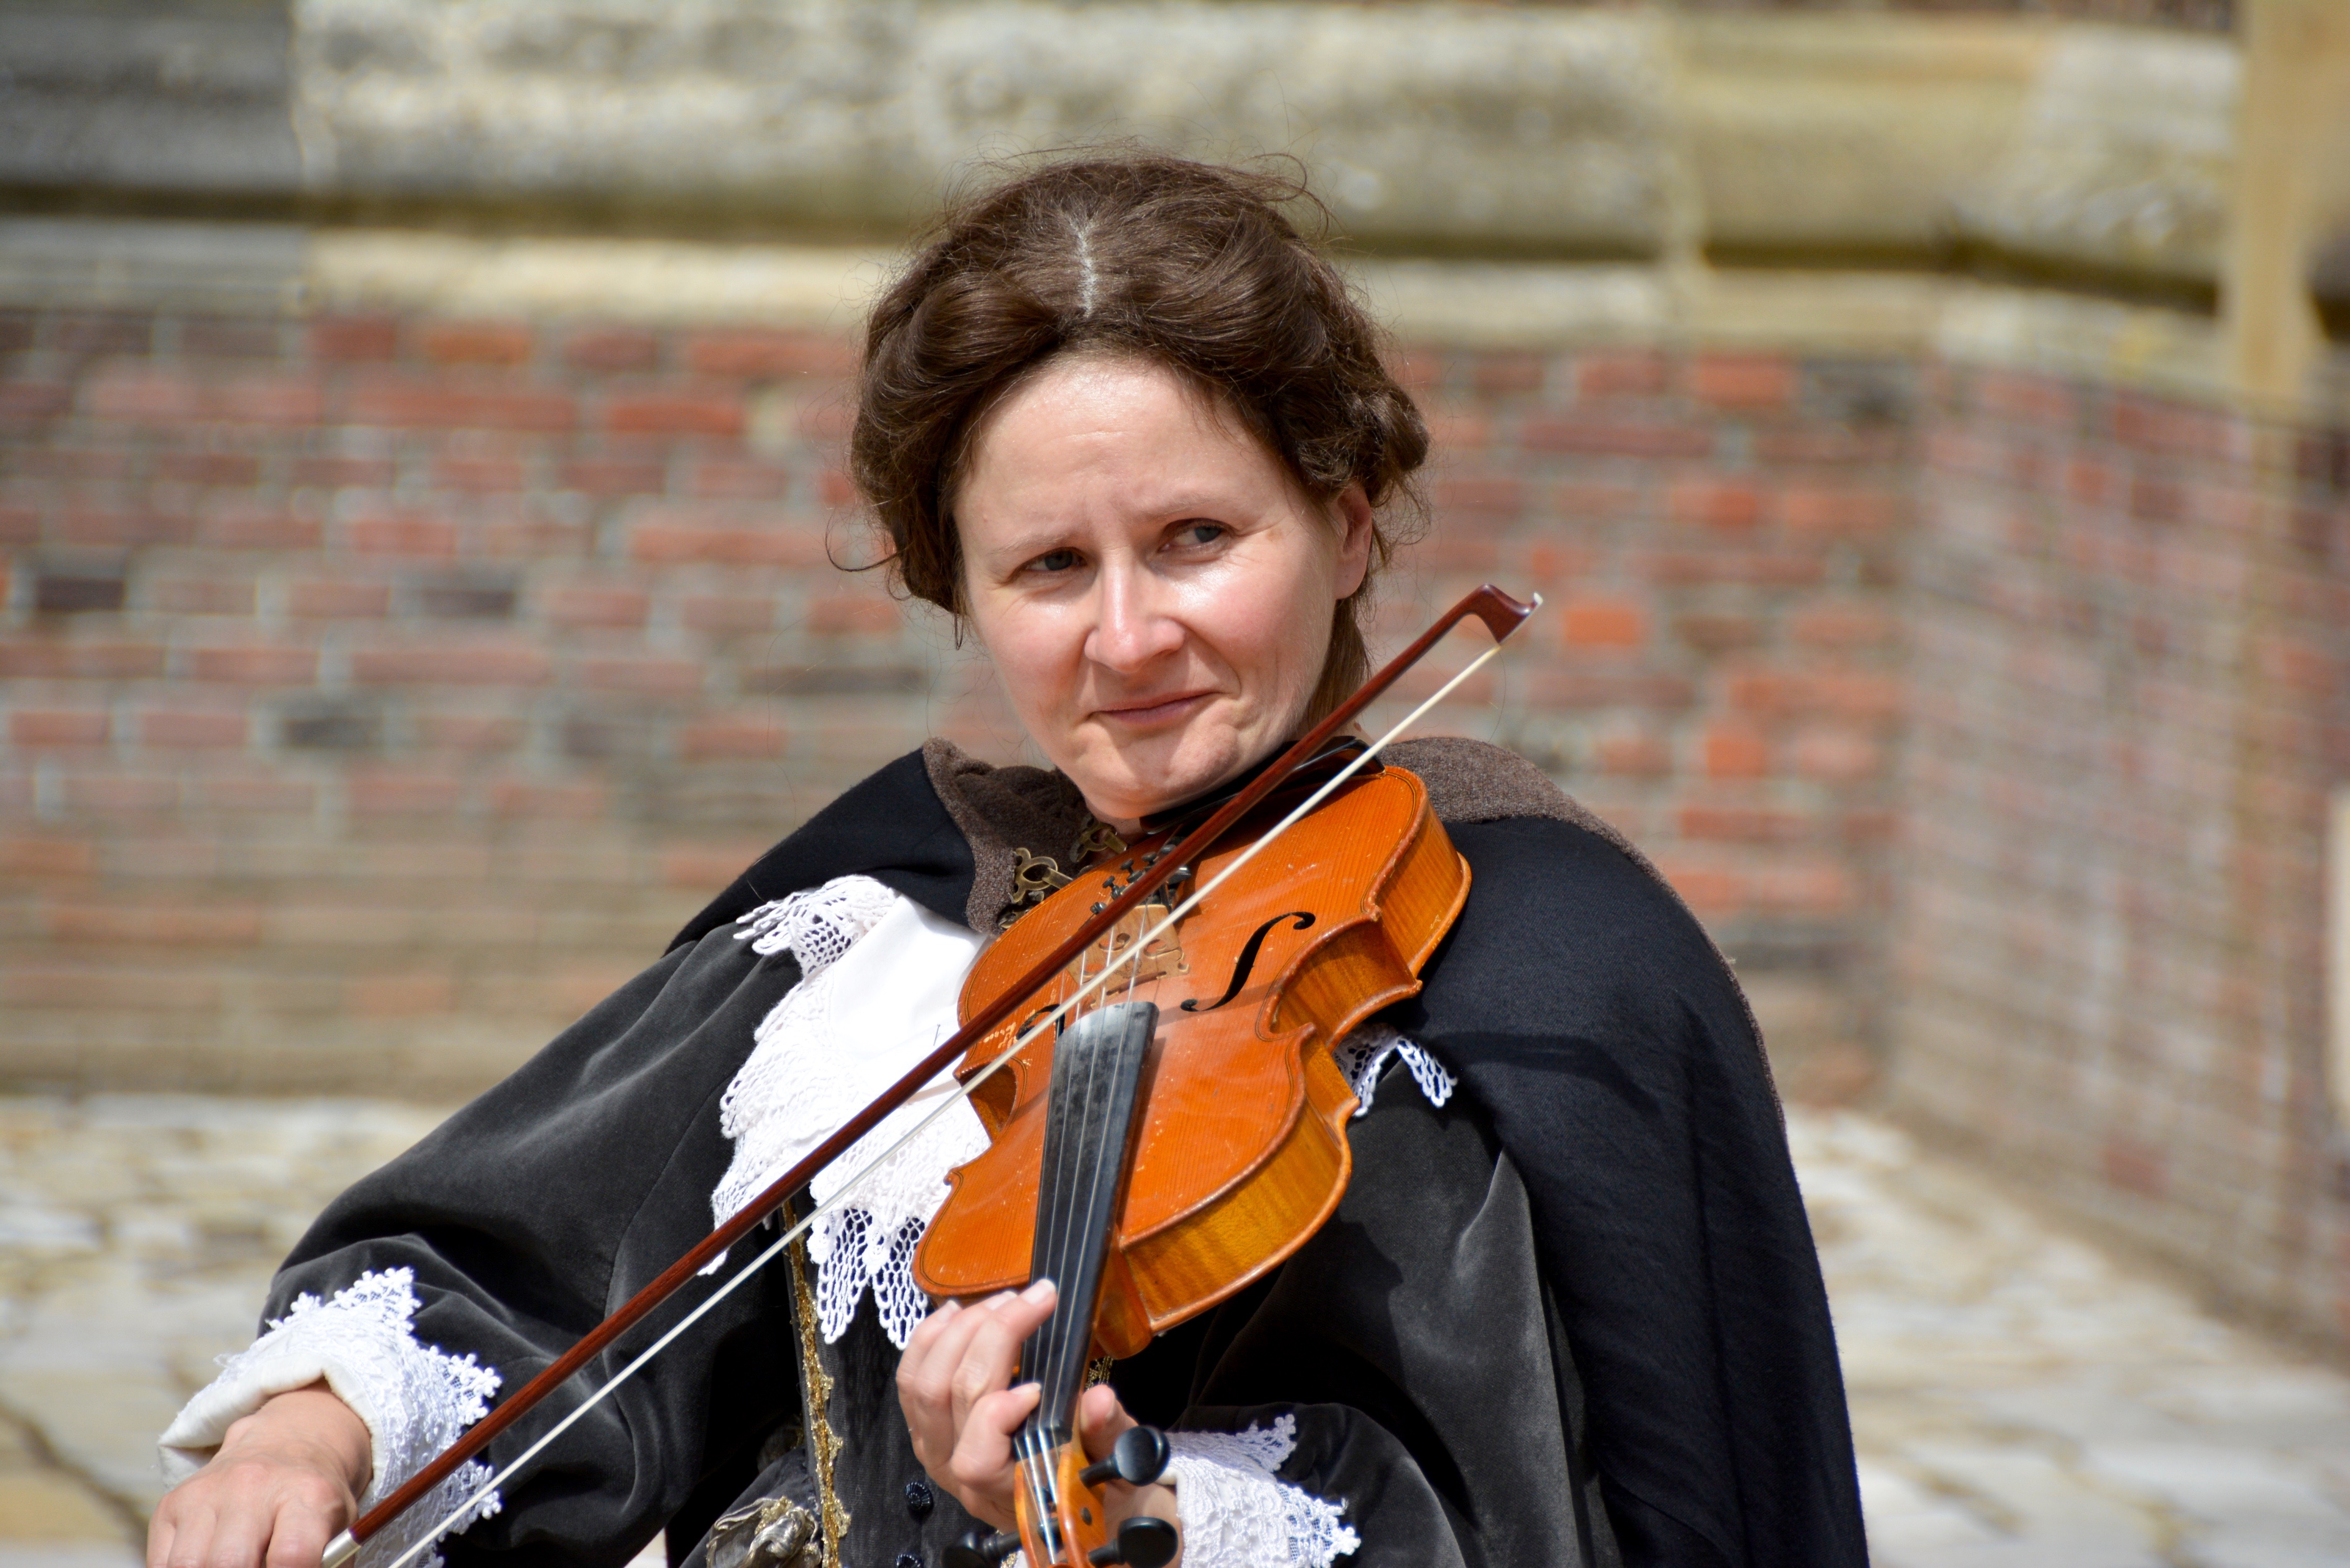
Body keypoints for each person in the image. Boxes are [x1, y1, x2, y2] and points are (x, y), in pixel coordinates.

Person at [146, 154, 1868, 1568]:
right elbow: (512, 1268)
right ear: (957, 592)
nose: (1130, 637)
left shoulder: (1547, 963)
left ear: (1347, 530)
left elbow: (1559, 1513)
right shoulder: (882, 918)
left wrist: (1141, 1507)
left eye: (1198, 538)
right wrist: (311, 1435)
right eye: (1049, 566)